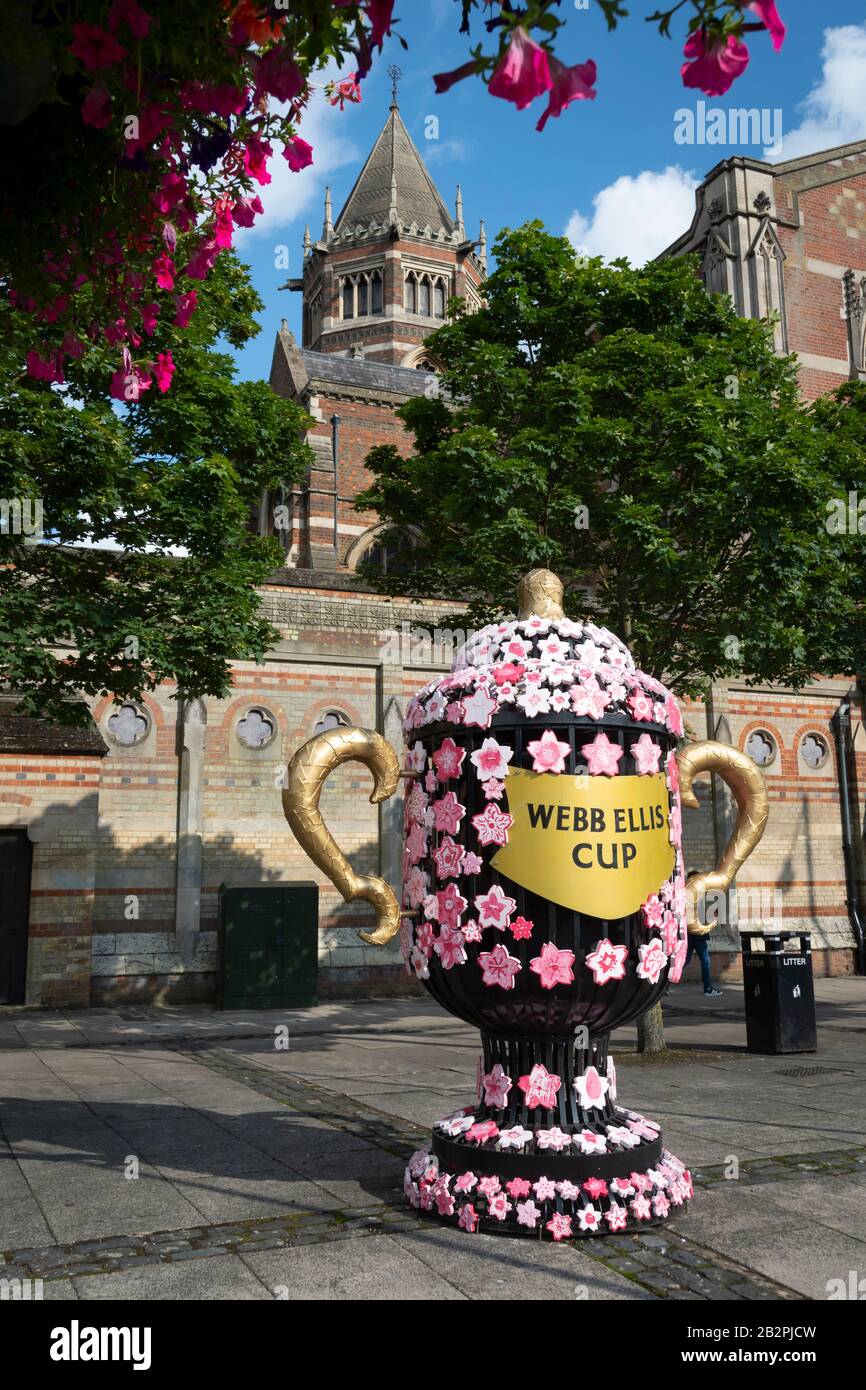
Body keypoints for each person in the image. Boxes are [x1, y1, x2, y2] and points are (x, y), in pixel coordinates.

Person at [684, 869, 723, 996]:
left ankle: (664, 986)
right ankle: (708, 989)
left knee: (685, 961)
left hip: (690, 934)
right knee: (705, 961)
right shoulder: (692, 896)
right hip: (696, 935)